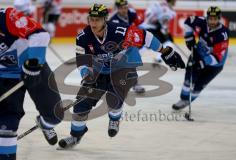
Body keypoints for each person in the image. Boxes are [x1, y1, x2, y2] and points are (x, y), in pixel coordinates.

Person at [58, 3, 185, 149]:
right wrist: (87, 76)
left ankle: (115, 118)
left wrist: (165, 51)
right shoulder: (83, 37)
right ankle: (75, 136)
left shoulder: (120, 31)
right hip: (100, 71)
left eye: (97, 19)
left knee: (114, 98)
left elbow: (145, 36)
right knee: (81, 105)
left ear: (105, 19)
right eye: (91, 19)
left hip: (124, 67)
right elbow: (82, 61)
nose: (93, 23)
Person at [0, 7, 62, 160]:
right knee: (6, 123)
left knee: (54, 115)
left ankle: (45, 124)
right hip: (5, 77)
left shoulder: (6, 16)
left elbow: (40, 35)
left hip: (34, 66)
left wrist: (33, 65)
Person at [172, 6, 229, 110]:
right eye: (210, 18)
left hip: (214, 65)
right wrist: (189, 37)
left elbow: (218, 58)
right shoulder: (202, 21)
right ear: (207, 17)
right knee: (189, 79)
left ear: (219, 19)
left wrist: (202, 62)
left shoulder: (222, 34)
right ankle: (183, 99)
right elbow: (188, 21)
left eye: (215, 19)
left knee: (199, 85)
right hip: (197, 54)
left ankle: (188, 101)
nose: (212, 21)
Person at [109, 0, 145, 94]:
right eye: (122, 8)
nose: (124, 10)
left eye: (126, 7)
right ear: (117, 9)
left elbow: (140, 23)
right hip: (117, 44)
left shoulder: (131, 14)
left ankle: (134, 83)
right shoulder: (114, 20)